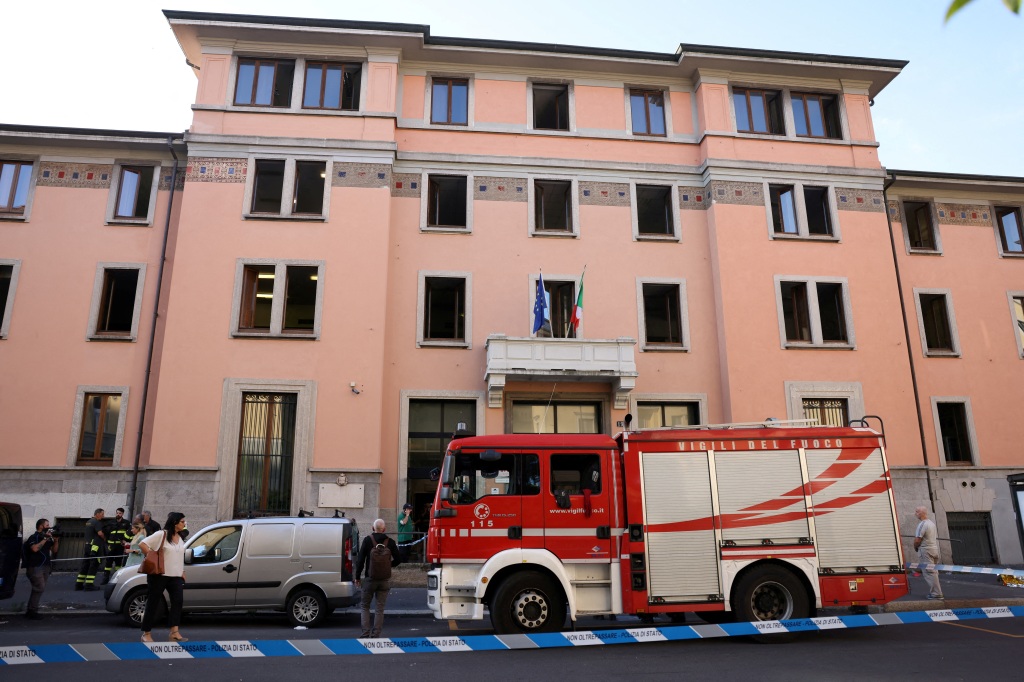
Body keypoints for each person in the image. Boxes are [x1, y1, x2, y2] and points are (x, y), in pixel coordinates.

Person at [139, 512, 189, 643]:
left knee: (178, 602)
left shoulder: (180, 537)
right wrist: (152, 558)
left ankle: (174, 632)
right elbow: (143, 544)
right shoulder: (162, 534)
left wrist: (182, 570)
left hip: (176, 575)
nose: (185, 524)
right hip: (159, 574)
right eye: (182, 521)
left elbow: (178, 556)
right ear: (175, 522)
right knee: (153, 603)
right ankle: (146, 633)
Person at [354, 518, 401, 638]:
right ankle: (376, 634)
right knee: (380, 608)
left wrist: (357, 577)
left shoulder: (367, 540)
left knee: (365, 606)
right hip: (384, 581)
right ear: (384, 529)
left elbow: (360, 560)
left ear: (372, 528)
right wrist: (388, 566)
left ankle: (365, 633)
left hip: (369, 579)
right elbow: (399, 559)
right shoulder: (390, 542)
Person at [23, 518, 60, 620]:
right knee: (39, 587)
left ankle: (31, 610)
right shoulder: (34, 537)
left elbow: (54, 550)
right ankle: (33, 610)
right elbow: (35, 549)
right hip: (35, 566)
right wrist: (45, 538)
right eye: (47, 525)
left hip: (46, 566)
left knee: (37, 589)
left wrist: (56, 540)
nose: (49, 527)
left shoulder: (48, 538)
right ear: (41, 526)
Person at [914, 506, 943, 600]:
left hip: (926, 551)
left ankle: (936, 594)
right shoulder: (931, 523)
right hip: (934, 549)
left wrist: (915, 547)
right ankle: (937, 592)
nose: (915, 513)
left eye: (917, 511)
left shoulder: (922, 524)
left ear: (922, 513)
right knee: (934, 572)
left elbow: (918, 539)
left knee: (929, 572)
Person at [76, 508, 105, 591]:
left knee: (85, 565)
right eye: (102, 514)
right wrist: (104, 538)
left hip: (87, 546)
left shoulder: (89, 522)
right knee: (93, 565)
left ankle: (79, 584)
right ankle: (89, 585)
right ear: (98, 514)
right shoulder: (97, 522)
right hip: (94, 548)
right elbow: (100, 533)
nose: (103, 516)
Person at [103, 507, 131, 580]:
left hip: (120, 545)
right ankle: (105, 578)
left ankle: (116, 578)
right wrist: (107, 543)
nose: (118, 514)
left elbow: (129, 533)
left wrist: (125, 541)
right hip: (111, 545)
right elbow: (106, 533)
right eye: (117, 513)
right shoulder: (111, 522)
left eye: (120, 513)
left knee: (118, 562)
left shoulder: (126, 523)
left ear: (122, 514)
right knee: (108, 562)